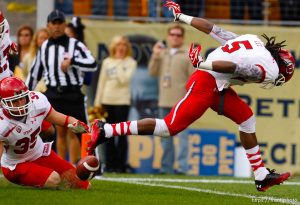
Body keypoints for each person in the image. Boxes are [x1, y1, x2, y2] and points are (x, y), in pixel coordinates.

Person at [88, 0, 295, 192]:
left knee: (247, 118)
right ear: (280, 69)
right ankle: (105, 129)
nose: (278, 81)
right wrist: (202, 63)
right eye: (282, 77)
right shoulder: (269, 70)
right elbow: (237, 66)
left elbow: (213, 29)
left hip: (216, 83)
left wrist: (181, 17)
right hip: (206, 80)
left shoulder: (253, 41)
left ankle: (261, 175)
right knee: (168, 128)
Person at [26, 10, 97, 164]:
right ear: (48, 26)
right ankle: (59, 165)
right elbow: (34, 73)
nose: (57, 27)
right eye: (54, 23)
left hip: (73, 95)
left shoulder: (75, 44)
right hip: (53, 95)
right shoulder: (44, 47)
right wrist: (26, 95)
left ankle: (91, 165)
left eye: (60, 23)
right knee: (54, 132)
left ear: (65, 25)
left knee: (82, 131)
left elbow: (92, 63)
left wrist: (73, 61)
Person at [0, 76, 90, 189]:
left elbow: (59, 117)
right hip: (16, 164)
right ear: (3, 103)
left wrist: (75, 123)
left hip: (39, 153)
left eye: (22, 98)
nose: (20, 104)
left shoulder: (37, 101)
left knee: (82, 184)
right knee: (54, 179)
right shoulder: (2, 124)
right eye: (14, 101)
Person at [149, 24, 194, 174]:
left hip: (182, 102)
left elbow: (194, 79)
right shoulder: (162, 53)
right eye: (172, 34)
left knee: (183, 138)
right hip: (164, 101)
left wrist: (189, 99)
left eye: (178, 35)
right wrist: (155, 55)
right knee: (164, 137)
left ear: (183, 37)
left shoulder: (188, 54)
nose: (175, 37)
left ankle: (182, 168)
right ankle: (166, 167)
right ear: (168, 36)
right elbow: (152, 72)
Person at [94, 35, 136, 173]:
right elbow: (102, 83)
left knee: (122, 134)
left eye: (123, 44)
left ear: (127, 47)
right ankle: (110, 164)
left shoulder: (130, 62)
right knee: (107, 134)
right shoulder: (107, 62)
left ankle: (120, 165)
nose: (121, 47)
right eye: (118, 44)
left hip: (122, 101)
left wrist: (118, 63)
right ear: (114, 46)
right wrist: (97, 103)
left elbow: (124, 80)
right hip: (107, 100)